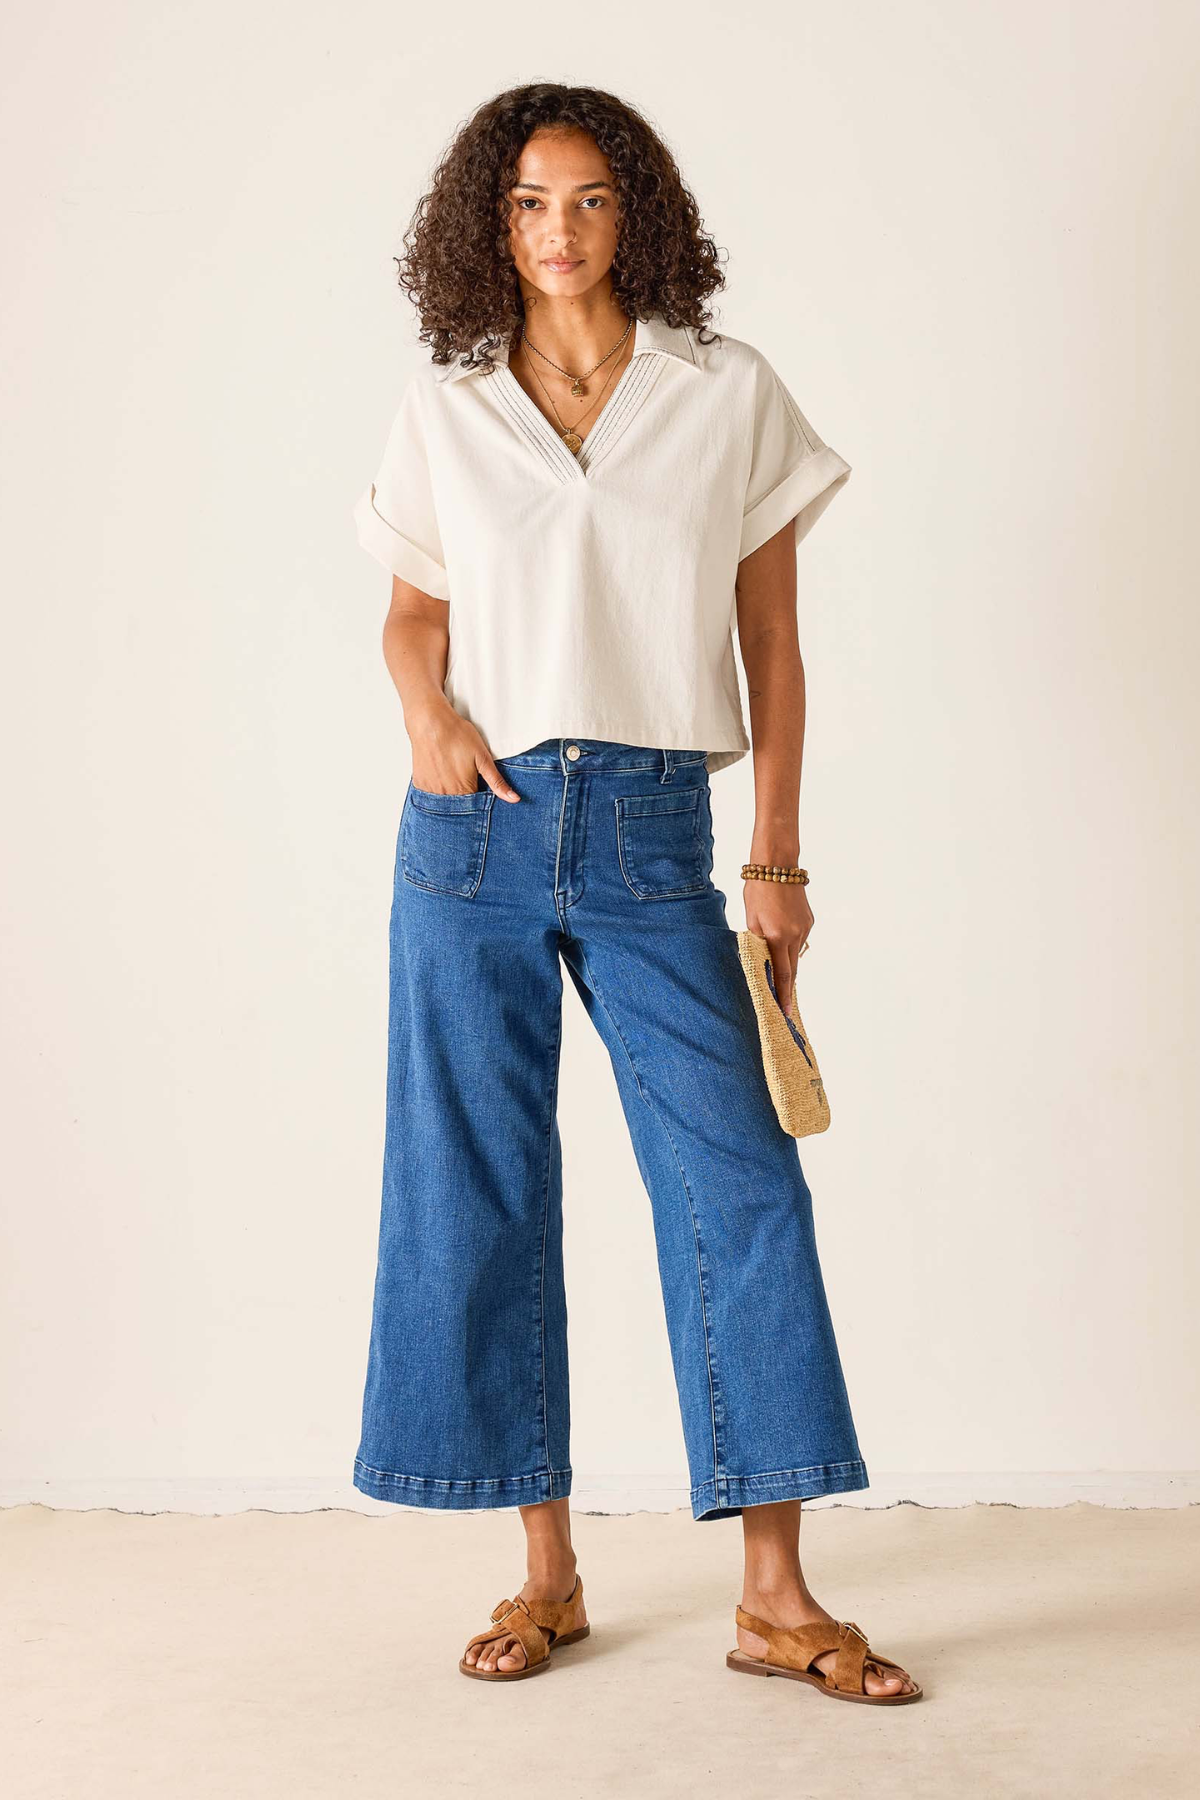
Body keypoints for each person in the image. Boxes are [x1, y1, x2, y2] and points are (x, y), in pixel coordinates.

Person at [350, 81, 921, 1705]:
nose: (558, 231)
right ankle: (545, 1573)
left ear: (638, 211)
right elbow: (407, 617)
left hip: (660, 833)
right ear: (490, 223)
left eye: (589, 198)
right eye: (528, 203)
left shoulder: (723, 391)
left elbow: (775, 644)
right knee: (483, 1198)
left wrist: (780, 857)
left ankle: (775, 1596)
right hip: (470, 835)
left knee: (740, 1191)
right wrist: (433, 717)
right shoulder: (448, 404)